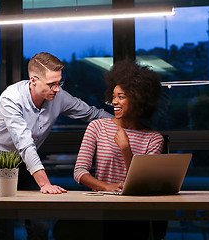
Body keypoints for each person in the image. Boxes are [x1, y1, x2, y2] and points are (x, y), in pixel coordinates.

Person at [0, 52, 113, 240]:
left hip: (28, 164)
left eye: (59, 82)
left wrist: (127, 124)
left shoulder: (58, 95)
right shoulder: (11, 97)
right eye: (52, 84)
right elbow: (24, 143)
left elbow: (92, 114)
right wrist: (45, 184)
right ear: (33, 80)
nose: (57, 89)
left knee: (39, 226)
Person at [55, 59, 164, 240]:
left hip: (136, 214)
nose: (114, 102)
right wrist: (107, 187)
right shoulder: (97, 127)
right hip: (100, 211)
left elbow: (144, 183)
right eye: (113, 96)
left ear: (138, 99)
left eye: (121, 97)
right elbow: (79, 171)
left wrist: (126, 149)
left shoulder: (154, 138)